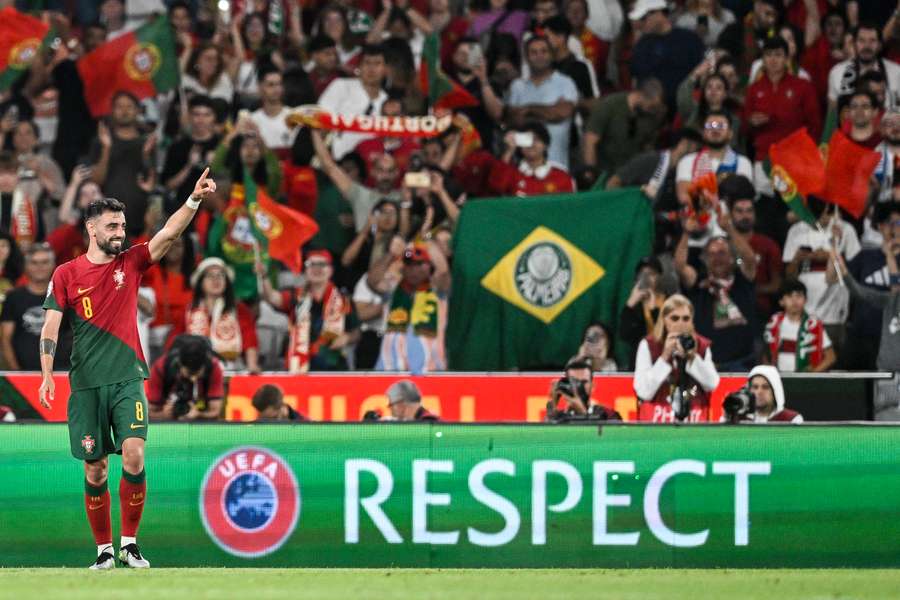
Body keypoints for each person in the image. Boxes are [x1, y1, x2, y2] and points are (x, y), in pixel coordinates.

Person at [38, 169, 217, 569]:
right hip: (85, 385)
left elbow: (168, 235)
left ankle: (130, 544)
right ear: (91, 229)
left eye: (122, 224)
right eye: (112, 225)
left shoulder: (131, 262)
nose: (120, 231)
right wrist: (48, 372)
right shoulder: (66, 274)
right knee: (96, 468)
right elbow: (51, 325)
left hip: (126, 379)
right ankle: (103, 551)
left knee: (134, 455)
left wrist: (193, 200)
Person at [830, 240, 900, 420]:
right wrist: (845, 273)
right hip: (887, 377)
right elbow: (859, 292)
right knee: (885, 426)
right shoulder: (889, 301)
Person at [783, 195, 860, 357]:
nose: (818, 218)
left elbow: (855, 272)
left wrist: (831, 252)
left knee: (834, 366)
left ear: (829, 210)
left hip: (833, 316)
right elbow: (789, 277)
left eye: (822, 212)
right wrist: (798, 259)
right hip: (803, 316)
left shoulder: (845, 230)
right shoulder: (796, 231)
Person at [258, 249, 353, 372]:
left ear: (330, 270)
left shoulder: (343, 299)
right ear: (305, 271)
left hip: (333, 366)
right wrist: (264, 276)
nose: (317, 269)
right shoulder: (296, 295)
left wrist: (348, 337)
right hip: (298, 365)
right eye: (311, 264)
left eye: (322, 265)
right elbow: (272, 297)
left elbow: (356, 331)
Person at [743, 36, 821, 186]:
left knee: (793, 206)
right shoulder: (754, 89)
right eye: (768, 55)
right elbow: (745, 129)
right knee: (763, 205)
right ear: (763, 60)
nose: (773, 60)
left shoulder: (803, 87)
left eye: (778, 55)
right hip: (763, 159)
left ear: (787, 59)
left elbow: (815, 125)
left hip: (795, 159)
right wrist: (752, 122)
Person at [633, 294, 720, 422]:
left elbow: (712, 384)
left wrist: (692, 358)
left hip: (694, 422)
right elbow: (643, 392)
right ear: (664, 320)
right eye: (674, 318)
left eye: (686, 319)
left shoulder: (701, 345)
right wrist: (665, 357)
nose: (680, 323)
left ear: (692, 321)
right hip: (657, 423)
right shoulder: (649, 345)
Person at [370, 241, 450, 373]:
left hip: (430, 371)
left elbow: (443, 271)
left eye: (419, 264)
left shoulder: (438, 289)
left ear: (430, 266)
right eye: (409, 264)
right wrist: (391, 254)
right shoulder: (393, 287)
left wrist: (426, 243)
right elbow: (373, 281)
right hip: (389, 369)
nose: (414, 270)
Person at [87, 91, 155, 238]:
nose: (124, 111)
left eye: (129, 106)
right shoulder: (101, 141)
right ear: (112, 111)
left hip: (139, 219)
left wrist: (146, 155)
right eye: (119, 106)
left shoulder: (146, 142)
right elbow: (96, 181)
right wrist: (106, 148)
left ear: (138, 110)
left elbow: (152, 183)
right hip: (107, 220)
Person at [506, 36, 579, 169]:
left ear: (552, 55)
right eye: (534, 52)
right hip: (523, 167)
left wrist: (529, 110)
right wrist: (549, 110)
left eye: (544, 51)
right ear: (527, 58)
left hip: (557, 164)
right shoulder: (517, 85)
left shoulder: (565, 82)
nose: (539, 56)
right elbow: (514, 121)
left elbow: (561, 113)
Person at [179, 257, 260, 372]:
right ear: (200, 282)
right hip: (195, 370)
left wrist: (252, 364)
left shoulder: (239, 309)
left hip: (231, 369)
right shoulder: (188, 311)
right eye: (210, 276)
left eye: (221, 275)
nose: (216, 280)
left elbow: (250, 339)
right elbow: (177, 342)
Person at [720, 174, 782, 318]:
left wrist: (750, 290)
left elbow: (776, 285)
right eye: (739, 211)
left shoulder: (768, 245)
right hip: (727, 310)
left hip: (758, 311)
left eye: (749, 211)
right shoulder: (721, 245)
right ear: (730, 214)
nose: (745, 216)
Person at [0, 244, 71, 371]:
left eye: (45, 262)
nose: (40, 267)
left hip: (61, 372)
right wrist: (16, 374)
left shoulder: (66, 297)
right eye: (34, 263)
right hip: (23, 374)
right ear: (26, 266)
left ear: (53, 265)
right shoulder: (13, 297)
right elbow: (5, 339)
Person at [629, 1, 706, 110]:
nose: (642, 22)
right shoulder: (642, 44)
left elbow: (700, 75)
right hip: (650, 110)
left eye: (643, 18)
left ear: (658, 14)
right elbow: (636, 77)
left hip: (683, 108)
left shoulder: (689, 40)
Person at [582, 77, 666, 177]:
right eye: (651, 106)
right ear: (640, 95)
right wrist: (590, 172)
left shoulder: (651, 116)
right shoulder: (610, 106)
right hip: (605, 172)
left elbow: (648, 147)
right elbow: (590, 141)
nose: (652, 110)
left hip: (631, 174)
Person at [318, 44, 389, 160]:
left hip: (372, 163)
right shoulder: (340, 86)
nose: (371, 69)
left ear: (386, 69)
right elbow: (321, 121)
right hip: (336, 160)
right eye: (367, 63)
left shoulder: (388, 101)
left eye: (377, 63)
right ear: (359, 67)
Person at [675, 111, 753, 209]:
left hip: (729, 221)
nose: (715, 130)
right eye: (710, 126)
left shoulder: (743, 162)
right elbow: (683, 196)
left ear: (730, 134)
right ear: (703, 133)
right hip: (698, 220)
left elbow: (743, 197)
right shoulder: (687, 161)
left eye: (721, 126)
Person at [147, 334, 225, 421]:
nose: (193, 378)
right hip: (169, 424)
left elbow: (215, 411)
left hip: (199, 425)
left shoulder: (214, 367)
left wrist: (199, 414)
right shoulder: (161, 367)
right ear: (180, 365)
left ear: (204, 366)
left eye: (197, 373)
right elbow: (149, 412)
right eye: (189, 373)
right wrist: (163, 415)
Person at [764, 279, 836, 372]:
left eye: (799, 296)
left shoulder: (813, 325)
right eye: (789, 296)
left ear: (805, 300)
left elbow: (830, 357)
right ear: (781, 302)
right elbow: (765, 355)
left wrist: (812, 375)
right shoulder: (774, 323)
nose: (795, 300)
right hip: (779, 378)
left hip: (805, 381)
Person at [828, 22, 900, 111]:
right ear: (854, 44)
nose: (867, 46)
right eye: (861, 40)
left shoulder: (896, 72)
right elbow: (832, 114)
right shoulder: (838, 72)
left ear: (880, 45)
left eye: (872, 41)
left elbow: (897, 110)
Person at [489, 123, 576, 196]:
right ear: (520, 145)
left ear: (546, 145)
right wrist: (509, 151)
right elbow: (495, 189)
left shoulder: (561, 175)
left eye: (537, 139)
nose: (532, 144)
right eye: (527, 140)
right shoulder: (511, 173)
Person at [618, 255, 667, 369]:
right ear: (636, 278)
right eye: (643, 274)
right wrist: (630, 304)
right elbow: (624, 335)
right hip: (639, 363)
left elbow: (661, 334)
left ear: (659, 277)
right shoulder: (634, 305)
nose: (647, 278)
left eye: (652, 274)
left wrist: (653, 307)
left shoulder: (669, 301)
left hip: (662, 361)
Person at [545, 355, 621, 422]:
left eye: (584, 382)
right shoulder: (560, 417)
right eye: (574, 382)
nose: (579, 386)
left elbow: (611, 436)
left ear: (592, 386)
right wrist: (552, 404)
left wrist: (582, 413)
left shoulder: (608, 414)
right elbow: (547, 436)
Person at [736, 365, 804, 423]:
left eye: (765, 387)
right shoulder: (738, 418)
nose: (759, 392)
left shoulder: (792, 419)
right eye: (755, 387)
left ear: (775, 391)